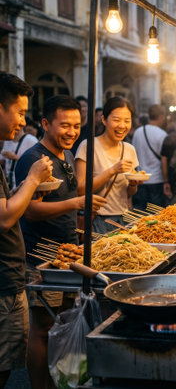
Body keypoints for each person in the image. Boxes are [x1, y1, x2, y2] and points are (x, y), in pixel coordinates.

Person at [15, 95, 107, 389]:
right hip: (41, 258)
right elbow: (29, 211)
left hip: (66, 255)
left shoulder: (65, 155)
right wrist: (76, 203)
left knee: (61, 323)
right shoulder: (34, 159)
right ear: (45, 123)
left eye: (77, 125)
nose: (72, 132)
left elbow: (64, 198)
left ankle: (58, 382)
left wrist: (81, 217)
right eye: (64, 125)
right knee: (42, 328)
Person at [0, 73, 53, 389]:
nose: (24, 120)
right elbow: (4, 219)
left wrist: (22, 189)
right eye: (19, 112)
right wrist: (32, 179)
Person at [76, 96, 139, 234]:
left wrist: (134, 184)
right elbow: (80, 189)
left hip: (124, 219)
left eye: (127, 121)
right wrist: (112, 170)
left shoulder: (129, 149)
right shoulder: (88, 146)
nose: (122, 126)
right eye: (116, 120)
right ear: (104, 119)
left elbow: (129, 193)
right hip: (97, 220)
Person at [132, 104, 167, 209]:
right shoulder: (162, 134)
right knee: (156, 216)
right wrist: (166, 181)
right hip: (157, 180)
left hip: (140, 180)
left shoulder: (138, 132)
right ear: (161, 116)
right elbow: (164, 160)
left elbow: (133, 155)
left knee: (140, 216)